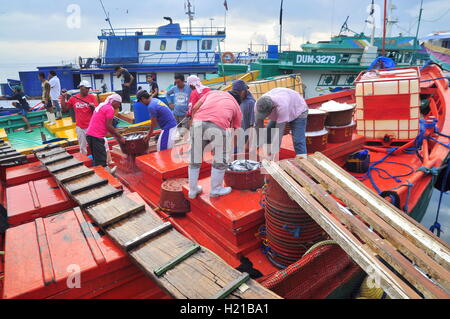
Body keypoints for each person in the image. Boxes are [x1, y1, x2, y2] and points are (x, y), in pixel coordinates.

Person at [188, 90, 242, 199]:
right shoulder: (236, 106)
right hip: (218, 126)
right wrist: (230, 150)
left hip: (197, 123)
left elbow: (194, 108)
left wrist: (194, 123)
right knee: (220, 159)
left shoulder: (212, 93)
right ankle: (216, 190)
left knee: (195, 158)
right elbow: (236, 131)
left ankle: (192, 190)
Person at [254, 87, 309, 159]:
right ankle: (266, 154)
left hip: (298, 110)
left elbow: (279, 131)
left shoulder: (282, 106)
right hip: (283, 106)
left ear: (272, 109)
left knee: (298, 139)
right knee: (268, 132)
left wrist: (274, 153)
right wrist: (258, 143)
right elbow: (258, 125)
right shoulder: (258, 104)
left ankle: (303, 160)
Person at [86, 94, 125, 168]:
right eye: (119, 103)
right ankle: (106, 177)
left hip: (89, 135)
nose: (119, 106)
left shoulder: (102, 105)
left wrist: (116, 136)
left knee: (97, 159)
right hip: (96, 137)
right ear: (114, 101)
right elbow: (109, 126)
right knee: (101, 162)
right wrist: (120, 137)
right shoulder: (110, 108)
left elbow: (106, 126)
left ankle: (101, 175)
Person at [61, 80, 98, 155]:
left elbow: (97, 111)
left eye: (88, 88)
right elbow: (64, 109)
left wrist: (93, 107)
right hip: (80, 127)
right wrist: (63, 97)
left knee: (95, 146)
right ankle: (84, 161)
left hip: (91, 127)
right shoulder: (74, 98)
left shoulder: (92, 97)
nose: (88, 90)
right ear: (81, 88)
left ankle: (96, 161)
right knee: (82, 147)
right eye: (86, 88)